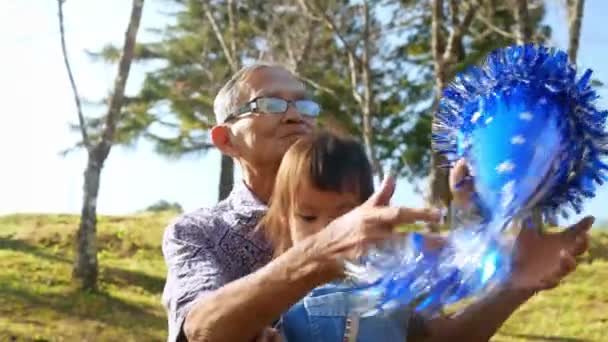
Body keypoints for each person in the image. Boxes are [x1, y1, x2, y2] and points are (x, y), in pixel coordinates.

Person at [161, 63, 593, 342]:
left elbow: (435, 336)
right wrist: (322, 253)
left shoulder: (375, 233)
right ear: (225, 138)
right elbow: (200, 329)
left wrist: (516, 283)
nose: (296, 114)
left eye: (304, 103)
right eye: (271, 103)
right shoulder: (198, 233)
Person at [261, 130, 447, 341]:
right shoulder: (276, 294)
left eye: (343, 218)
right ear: (285, 219)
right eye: (308, 217)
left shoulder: (390, 280)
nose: (325, 231)